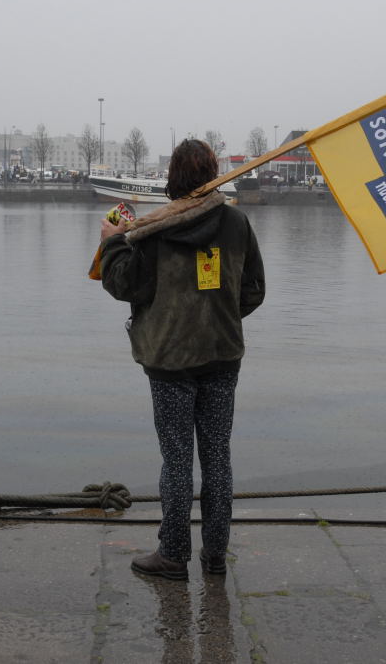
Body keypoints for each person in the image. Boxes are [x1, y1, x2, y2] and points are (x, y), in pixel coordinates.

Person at [98, 139, 265, 580]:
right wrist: (219, 317)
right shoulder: (236, 223)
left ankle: (173, 554)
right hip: (222, 357)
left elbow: (122, 286)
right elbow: (254, 291)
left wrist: (112, 242)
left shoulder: (156, 231)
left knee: (175, 460)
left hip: (170, 361)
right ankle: (215, 556)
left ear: (172, 177)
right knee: (217, 458)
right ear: (214, 175)